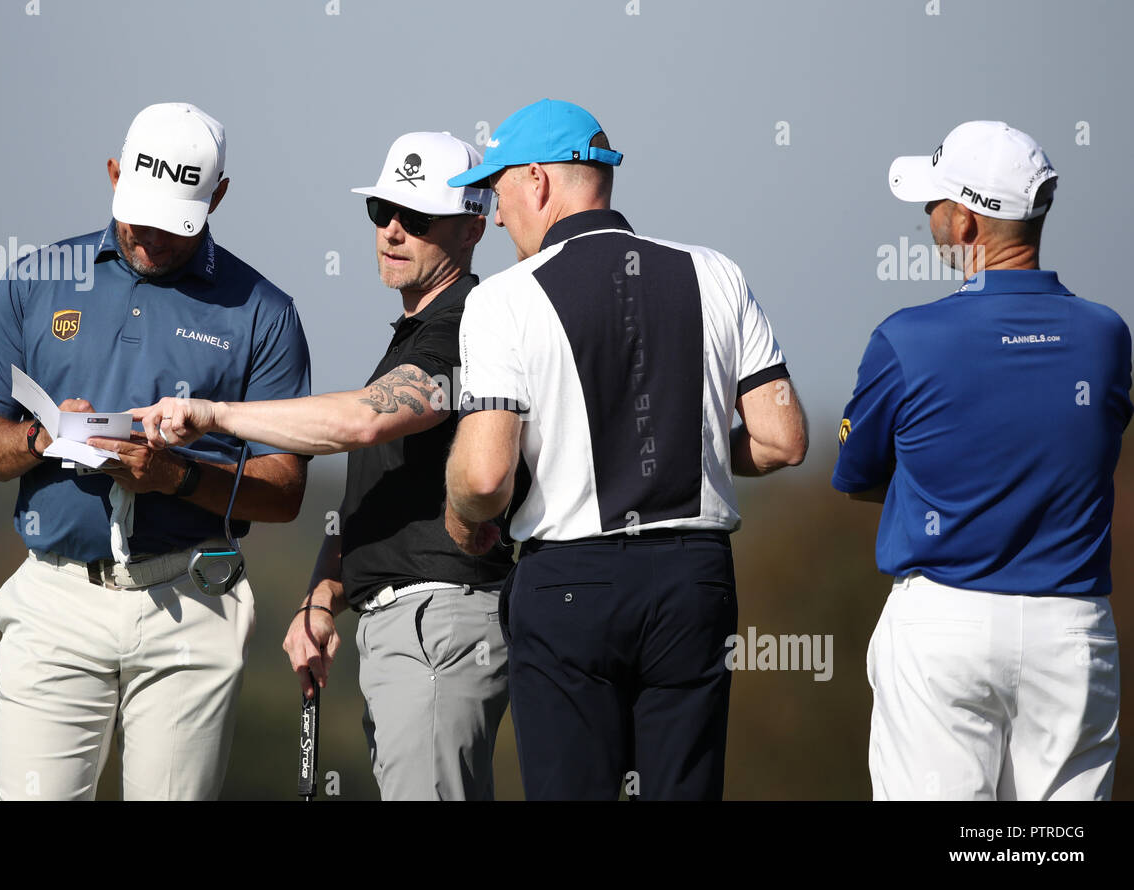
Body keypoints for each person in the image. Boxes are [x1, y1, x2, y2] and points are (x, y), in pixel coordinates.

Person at [440, 99, 808, 800]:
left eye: (498, 190)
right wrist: (685, 448)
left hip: (571, 582)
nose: (494, 214)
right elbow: (783, 438)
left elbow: (486, 475)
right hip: (695, 581)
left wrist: (461, 511)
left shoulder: (505, 299)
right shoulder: (716, 272)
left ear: (539, 182)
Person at [132, 132, 514, 800]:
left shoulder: (468, 324)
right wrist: (323, 594)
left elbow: (361, 420)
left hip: (439, 619)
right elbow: (386, 484)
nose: (393, 231)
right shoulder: (416, 334)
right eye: (382, 212)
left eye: (417, 219)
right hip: (405, 620)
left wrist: (218, 415)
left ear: (473, 228)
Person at [0, 102, 312, 800]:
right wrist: (41, 438)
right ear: (114, 174)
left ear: (220, 196)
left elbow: (285, 490)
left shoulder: (265, 311)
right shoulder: (35, 279)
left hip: (192, 600)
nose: (149, 236)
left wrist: (174, 476)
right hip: (55, 598)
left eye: (173, 221)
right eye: (137, 211)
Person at [833, 120, 1131, 800]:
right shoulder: (1108, 336)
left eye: (934, 207)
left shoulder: (906, 338)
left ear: (965, 222)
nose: (927, 221)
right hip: (1073, 628)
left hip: (945, 624)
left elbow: (858, 477)